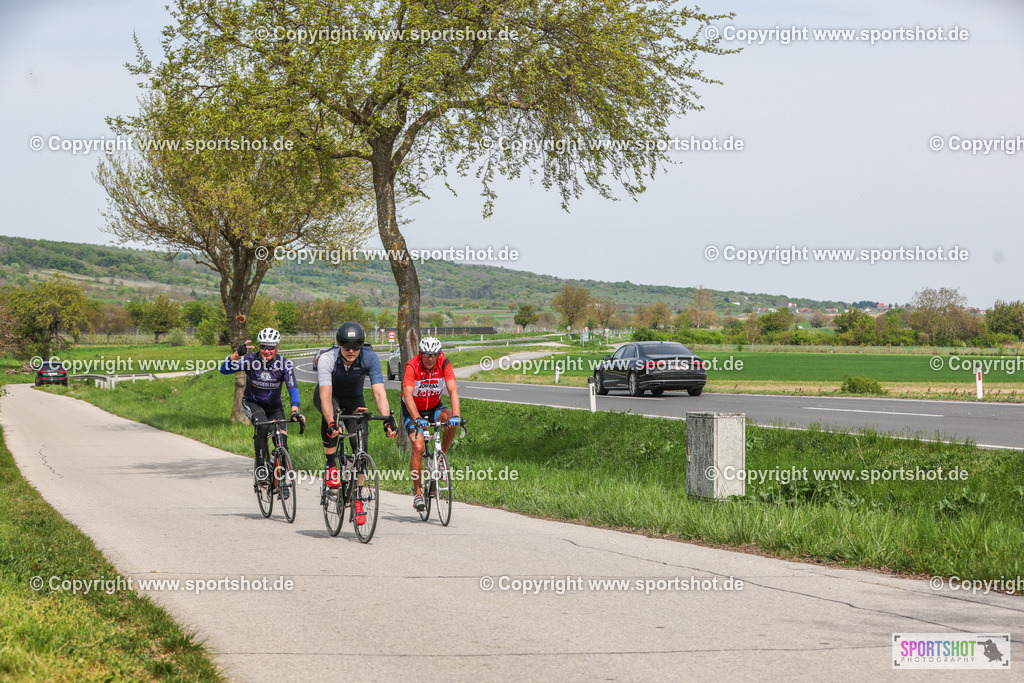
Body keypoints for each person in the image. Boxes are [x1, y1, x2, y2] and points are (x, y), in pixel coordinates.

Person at [313, 322, 397, 513]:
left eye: (356, 347)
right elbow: (325, 397)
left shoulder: (370, 358)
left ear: (361, 346)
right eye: (346, 347)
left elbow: (379, 394)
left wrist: (387, 421)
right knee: (331, 417)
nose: (351, 351)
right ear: (338, 344)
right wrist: (332, 423)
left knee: (361, 446)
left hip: (354, 400)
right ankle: (331, 465)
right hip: (329, 396)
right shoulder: (327, 359)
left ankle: (358, 493)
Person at [220, 327, 303, 482]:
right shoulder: (250, 360)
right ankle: (260, 468)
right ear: (259, 347)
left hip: (275, 407)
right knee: (263, 426)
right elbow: (224, 369)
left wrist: (295, 410)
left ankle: (282, 480)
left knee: (282, 440)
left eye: (270, 347)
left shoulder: (285, 364)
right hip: (253, 403)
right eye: (263, 347)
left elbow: (293, 388)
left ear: (277, 347)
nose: (266, 351)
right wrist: (237, 354)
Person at [401, 336, 461, 511]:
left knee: (451, 420)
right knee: (418, 447)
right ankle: (418, 492)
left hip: (434, 407)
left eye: (434, 355)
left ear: (439, 353)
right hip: (413, 410)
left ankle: (441, 458)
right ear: (420, 354)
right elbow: (408, 395)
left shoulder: (444, 363)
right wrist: (417, 418)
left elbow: (452, 389)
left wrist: (456, 415)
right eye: (426, 355)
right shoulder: (412, 366)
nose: (430, 358)